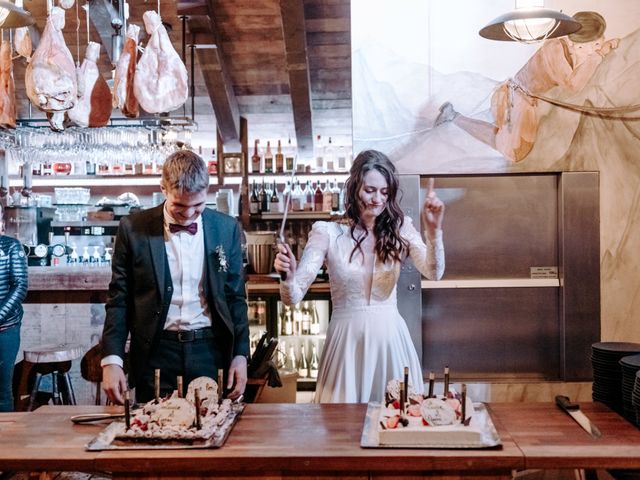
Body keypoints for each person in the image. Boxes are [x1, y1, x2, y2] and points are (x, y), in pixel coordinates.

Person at [274, 149, 445, 403]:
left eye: (384, 192)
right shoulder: (327, 232)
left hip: (390, 341)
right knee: (343, 429)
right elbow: (293, 297)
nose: (377, 199)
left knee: (397, 420)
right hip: (346, 344)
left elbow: (434, 272)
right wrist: (288, 278)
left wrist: (434, 232)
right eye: (370, 190)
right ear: (354, 188)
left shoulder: (401, 228)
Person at [101, 150, 249, 404]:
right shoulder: (133, 228)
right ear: (163, 189)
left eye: (198, 206)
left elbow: (235, 297)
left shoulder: (226, 228)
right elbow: (119, 299)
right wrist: (112, 360)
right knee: (155, 435)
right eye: (180, 206)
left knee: (211, 432)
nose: (190, 214)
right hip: (156, 352)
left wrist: (240, 355)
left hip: (210, 351)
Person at [434, 11, 619, 163]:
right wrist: (599, 55)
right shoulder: (555, 48)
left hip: (524, 99)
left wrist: (597, 52)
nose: (597, 45)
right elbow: (574, 84)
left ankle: (454, 116)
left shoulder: (569, 49)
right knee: (513, 152)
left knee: (507, 140)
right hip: (516, 98)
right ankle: (454, 116)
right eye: (595, 41)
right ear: (582, 40)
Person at [0, 203, 28, 411]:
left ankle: (6, 441)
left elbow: (20, 286)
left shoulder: (11, 246)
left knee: (2, 392)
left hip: (6, 330)